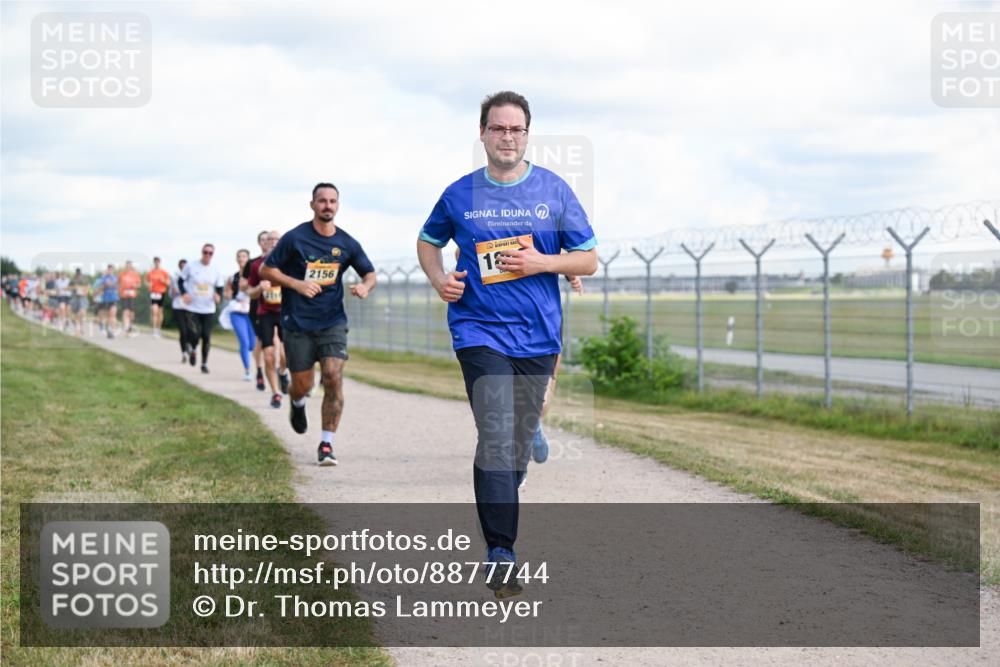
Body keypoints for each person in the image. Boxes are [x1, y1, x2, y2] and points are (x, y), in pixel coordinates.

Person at [416, 91, 597, 597]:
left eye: (516, 129)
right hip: (478, 329)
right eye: (498, 129)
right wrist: (438, 280)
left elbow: (588, 259)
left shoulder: (554, 189)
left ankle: (505, 492)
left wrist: (543, 263)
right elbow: (428, 241)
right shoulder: (459, 195)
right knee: (496, 432)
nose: (507, 137)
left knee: (516, 439)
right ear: (482, 133)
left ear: (527, 135)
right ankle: (501, 550)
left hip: (537, 334)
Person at [260, 183, 376, 466]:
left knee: (333, 377)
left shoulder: (347, 243)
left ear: (338, 205)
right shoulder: (295, 238)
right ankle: (297, 402)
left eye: (332, 201)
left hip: (332, 321)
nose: (327, 206)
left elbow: (369, 272)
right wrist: (296, 284)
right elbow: (267, 269)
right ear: (312, 205)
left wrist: (365, 286)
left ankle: (326, 444)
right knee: (303, 384)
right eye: (322, 201)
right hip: (297, 322)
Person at [247, 231, 290, 409]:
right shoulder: (257, 265)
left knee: (286, 355)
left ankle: (283, 372)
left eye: (276, 239)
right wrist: (259, 288)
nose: (272, 242)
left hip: (285, 312)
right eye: (270, 239)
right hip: (265, 313)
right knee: (269, 354)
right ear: (265, 243)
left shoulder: (288, 262)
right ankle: (275, 393)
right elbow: (250, 292)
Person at [178, 244, 225, 373]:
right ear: (202, 252)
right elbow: (180, 281)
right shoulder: (191, 266)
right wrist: (184, 294)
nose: (207, 255)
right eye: (205, 252)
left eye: (210, 253)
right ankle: (193, 349)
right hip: (192, 307)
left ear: (213, 255)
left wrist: (218, 295)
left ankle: (204, 363)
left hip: (208, 308)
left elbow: (220, 287)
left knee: (206, 336)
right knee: (194, 334)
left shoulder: (215, 269)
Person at [243, 230, 270, 392]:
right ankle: (259, 370)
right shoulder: (253, 263)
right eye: (263, 239)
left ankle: (281, 370)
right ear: (259, 243)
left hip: (277, 306)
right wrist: (258, 287)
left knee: (277, 341)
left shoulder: (280, 261)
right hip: (258, 305)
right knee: (260, 340)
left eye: (269, 239)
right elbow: (245, 284)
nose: (267, 242)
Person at [225, 249, 257, 381]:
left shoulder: (254, 275)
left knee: (252, 344)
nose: (241, 258)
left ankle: (250, 363)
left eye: (244, 256)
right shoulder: (233, 277)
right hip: (237, 311)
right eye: (239, 256)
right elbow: (227, 294)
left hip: (251, 311)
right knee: (244, 341)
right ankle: (248, 371)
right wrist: (227, 293)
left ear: (248, 259)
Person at [145, 257, 171, 338]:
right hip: (153, 293)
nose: (156, 263)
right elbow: (145, 281)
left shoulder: (164, 272)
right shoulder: (150, 272)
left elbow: (169, 283)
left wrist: (163, 280)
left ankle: (158, 329)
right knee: (154, 311)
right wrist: (148, 284)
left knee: (160, 312)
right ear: (154, 263)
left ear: (160, 262)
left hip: (161, 293)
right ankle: (154, 330)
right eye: (155, 262)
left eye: (158, 262)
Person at [170, 260, 191, 362]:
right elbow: (171, 294)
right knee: (182, 330)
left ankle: (189, 345)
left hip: (190, 307)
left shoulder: (192, 279)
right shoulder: (175, 279)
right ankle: (184, 353)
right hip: (178, 306)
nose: (183, 268)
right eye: (181, 266)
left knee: (190, 330)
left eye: (185, 266)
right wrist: (175, 292)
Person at [93, 264, 119, 338]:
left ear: (113, 270)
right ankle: (107, 327)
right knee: (107, 315)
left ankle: (111, 331)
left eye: (111, 269)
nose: (110, 271)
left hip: (114, 298)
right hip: (106, 299)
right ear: (107, 270)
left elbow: (116, 285)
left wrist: (113, 285)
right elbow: (106, 284)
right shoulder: (104, 278)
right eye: (109, 269)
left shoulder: (116, 277)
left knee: (113, 315)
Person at [119, 260, 142, 336]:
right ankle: (126, 327)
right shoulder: (122, 274)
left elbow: (139, 284)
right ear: (125, 266)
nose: (128, 267)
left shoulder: (135, 275)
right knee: (125, 311)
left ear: (131, 266)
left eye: (129, 266)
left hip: (132, 295)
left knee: (131, 313)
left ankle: (130, 325)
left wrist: (135, 286)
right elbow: (118, 284)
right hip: (124, 295)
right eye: (127, 266)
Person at [69, 268, 90, 336]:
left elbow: (88, 286)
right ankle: (78, 328)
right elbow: (69, 288)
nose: (78, 275)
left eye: (79, 274)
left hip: (83, 297)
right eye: (77, 274)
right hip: (75, 298)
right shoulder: (73, 279)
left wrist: (85, 291)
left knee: (81, 313)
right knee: (75, 315)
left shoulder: (85, 279)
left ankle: (79, 329)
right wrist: (74, 288)